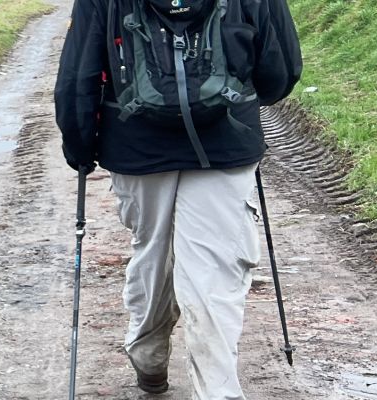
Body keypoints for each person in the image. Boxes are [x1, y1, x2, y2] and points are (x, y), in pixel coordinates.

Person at [55, 0, 300, 398]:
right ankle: (218, 391)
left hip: (135, 148)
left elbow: (77, 75)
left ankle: (149, 355)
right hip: (226, 145)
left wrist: (80, 148)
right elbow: (279, 75)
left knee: (151, 251)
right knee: (214, 272)